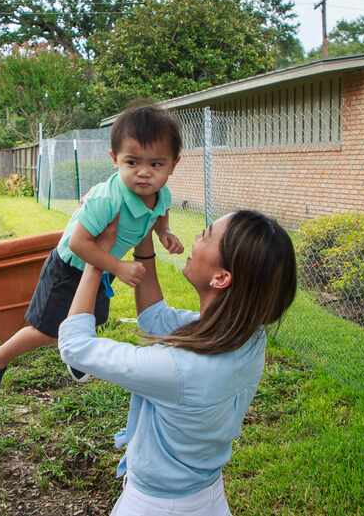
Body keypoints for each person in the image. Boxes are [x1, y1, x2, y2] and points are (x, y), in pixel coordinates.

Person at [59, 209, 297, 515]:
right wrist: (143, 233)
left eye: (206, 235)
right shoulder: (248, 337)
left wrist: (97, 261)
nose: (197, 238)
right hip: (207, 497)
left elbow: (75, 346)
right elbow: (155, 318)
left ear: (221, 277)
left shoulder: (180, 368)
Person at [0, 103, 185, 395]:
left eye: (155, 164)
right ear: (114, 159)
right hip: (70, 266)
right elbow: (78, 242)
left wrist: (164, 232)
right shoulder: (106, 199)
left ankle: (77, 353)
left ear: (173, 164)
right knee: (46, 330)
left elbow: (160, 211)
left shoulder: (161, 194)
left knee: (91, 319)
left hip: (102, 267)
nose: (143, 173)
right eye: (132, 162)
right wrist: (118, 267)